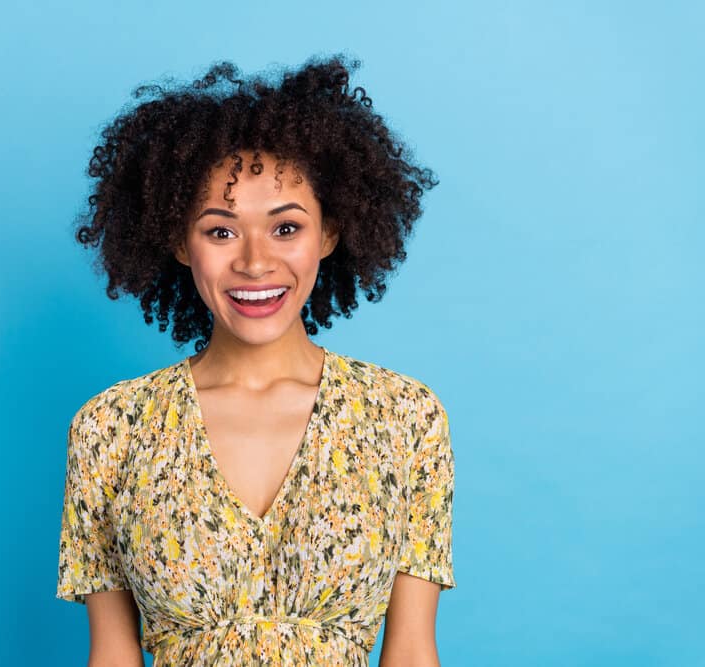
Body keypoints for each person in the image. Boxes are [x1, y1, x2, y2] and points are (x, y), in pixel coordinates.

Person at [56, 54, 457, 666]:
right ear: (176, 240)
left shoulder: (405, 419)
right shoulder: (112, 429)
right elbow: (112, 655)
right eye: (220, 231)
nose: (253, 262)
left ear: (328, 234)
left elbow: (410, 653)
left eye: (286, 228)